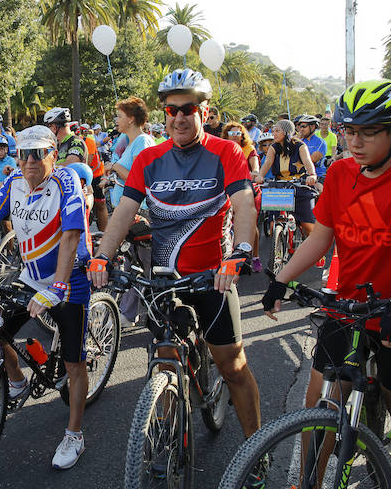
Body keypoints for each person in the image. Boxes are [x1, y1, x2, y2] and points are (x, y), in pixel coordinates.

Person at [262, 80, 391, 489]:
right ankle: (310, 484)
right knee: (320, 407)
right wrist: (281, 280)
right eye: (348, 131)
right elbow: (320, 237)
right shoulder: (341, 172)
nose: (354, 142)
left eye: (368, 132)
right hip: (348, 308)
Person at [87, 67, 263, 480]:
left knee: (232, 366)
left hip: (213, 277)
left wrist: (239, 253)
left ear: (204, 111)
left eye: (188, 109)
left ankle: (257, 450)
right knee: (165, 360)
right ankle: (165, 429)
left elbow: (243, 204)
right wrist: (101, 256)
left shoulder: (226, 152)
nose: (180, 117)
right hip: (165, 279)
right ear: (164, 114)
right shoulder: (149, 159)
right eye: (172, 110)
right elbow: (124, 211)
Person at [0, 125, 93, 470]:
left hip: (69, 280)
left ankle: (74, 435)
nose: (30, 161)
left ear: (54, 154)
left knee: (73, 363)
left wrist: (58, 287)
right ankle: (18, 383)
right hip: (31, 277)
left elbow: (71, 236)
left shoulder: (67, 181)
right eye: (24, 153)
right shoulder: (13, 183)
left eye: (38, 153)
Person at [254, 119, 317, 237]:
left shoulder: (300, 146)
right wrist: (260, 175)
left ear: (287, 132)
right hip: (280, 187)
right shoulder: (273, 147)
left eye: (277, 131)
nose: (274, 134)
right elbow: (267, 163)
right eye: (273, 131)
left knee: (308, 225)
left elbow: (308, 162)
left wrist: (312, 175)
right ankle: (279, 242)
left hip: (299, 185)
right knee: (273, 223)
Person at [223, 121, 263, 273]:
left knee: (249, 222)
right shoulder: (223, 148)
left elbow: (255, 165)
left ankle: (256, 257)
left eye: (238, 133)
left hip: (247, 188)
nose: (234, 136)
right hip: (227, 188)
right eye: (231, 133)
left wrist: (255, 172)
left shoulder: (248, 149)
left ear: (242, 135)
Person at [103, 97, 155, 216]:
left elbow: (138, 180)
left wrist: (114, 166)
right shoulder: (132, 142)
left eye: (120, 116)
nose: (116, 121)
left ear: (131, 119)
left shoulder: (142, 141)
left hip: (137, 213)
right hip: (126, 211)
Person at [296, 114, 327, 190]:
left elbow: (312, 160)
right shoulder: (299, 141)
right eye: (300, 127)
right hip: (299, 175)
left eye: (304, 126)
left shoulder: (320, 142)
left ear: (312, 127)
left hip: (318, 175)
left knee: (318, 190)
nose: (301, 129)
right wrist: (296, 141)